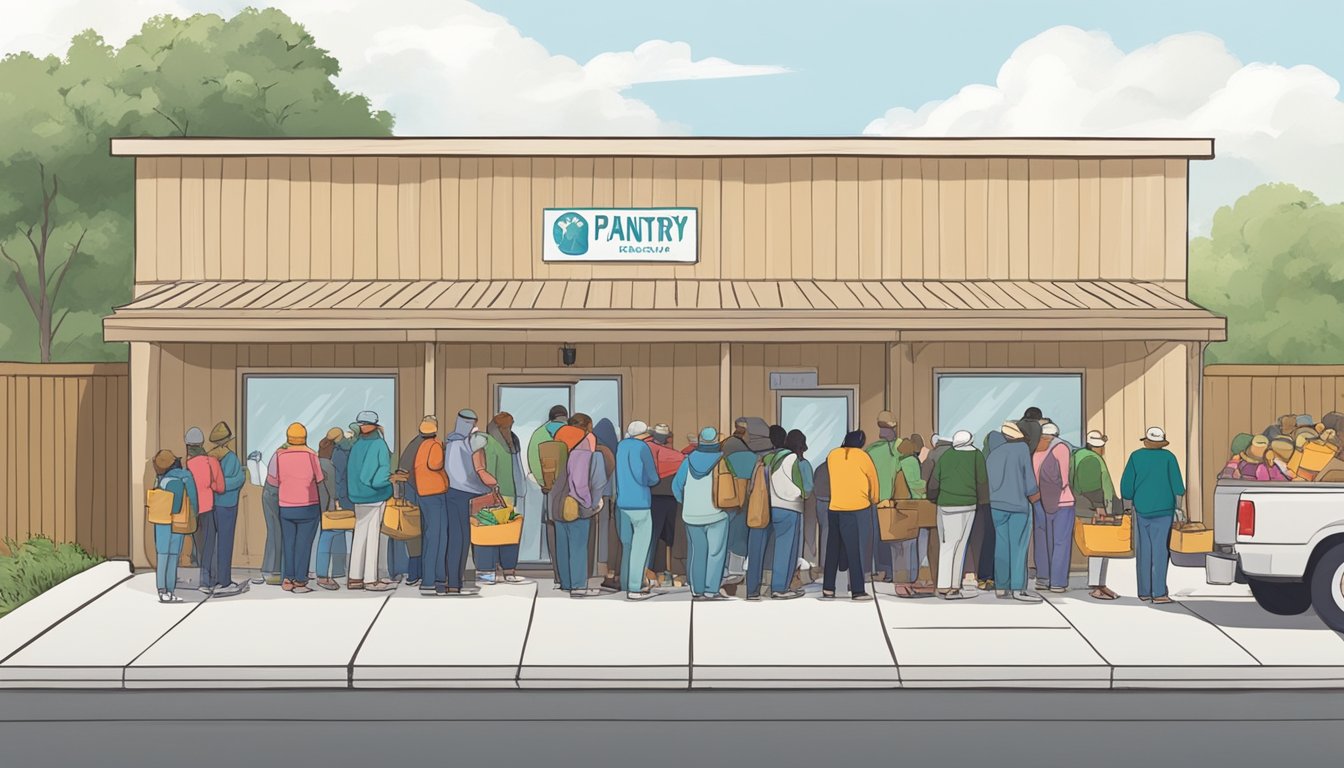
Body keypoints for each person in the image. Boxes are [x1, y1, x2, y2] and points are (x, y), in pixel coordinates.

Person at [1120, 426, 1186, 605]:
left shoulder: (1136, 457)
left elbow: (1126, 485)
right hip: (1164, 510)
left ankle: (1143, 592)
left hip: (1142, 509)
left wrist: (1128, 504)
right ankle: (1159, 593)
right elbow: (1178, 486)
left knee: (1144, 551)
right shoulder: (1169, 458)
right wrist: (1179, 507)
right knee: (1160, 551)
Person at [927, 430, 987, 599]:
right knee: (961, 545)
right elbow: (982, 480)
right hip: (969, 505)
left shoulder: (946, 456)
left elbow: (934, 482)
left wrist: (933, 498)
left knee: (947, 545)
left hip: (947, 505)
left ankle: (944, 585)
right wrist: (981, 502)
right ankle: (954, 585)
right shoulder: (977, 456)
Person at [986, 421, 1042, 602]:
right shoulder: (1021, 450)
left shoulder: (993, 454)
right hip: (1018, 505)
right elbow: (1029, 481)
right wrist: (1035, 496)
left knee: (1001, 546)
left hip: (996, 506)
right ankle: (1018, 588)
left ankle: (1002, 587)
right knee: (1018, 548)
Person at [673, 427, 731, 601]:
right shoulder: (722, 460)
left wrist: (687, 503)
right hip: (717, 513)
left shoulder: (687, 461)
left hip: (692, 515)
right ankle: (711, 590)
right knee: (716, 553)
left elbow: (676, 486)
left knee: (698, 553)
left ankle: (697, 591)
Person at [822, 430, 879, 602]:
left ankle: (828, 588)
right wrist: (874, 499)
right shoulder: (863, 457)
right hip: (855, 508)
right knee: (855, 550)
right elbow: (873, 480)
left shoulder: (833, 455)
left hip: (834, 507)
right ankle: (857, 590)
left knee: (832, 548)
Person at [266, 423, 323, 594]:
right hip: (308, 505)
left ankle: (287, 578)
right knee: (304, 544)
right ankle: (300, 580)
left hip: (286, 506)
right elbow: (319, 479)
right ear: (304, 438)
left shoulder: (278, 455)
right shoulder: (312, 455)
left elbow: (272, 481)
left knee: (288, 542)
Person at [554, 423, 609, 597]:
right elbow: (594, 483)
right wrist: (590, 505)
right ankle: (578, 585)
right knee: (578, 547)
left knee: (562, 547)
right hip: (577, 507)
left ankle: (566, 583)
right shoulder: (590, 456)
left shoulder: (559, 454)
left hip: (557, 506)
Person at [346, 411, 399, 592]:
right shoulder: (379, 444)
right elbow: (373, 477)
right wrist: (391, 479)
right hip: (374, 496)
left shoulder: (356, 445)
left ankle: (355, 577)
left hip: (357, 496)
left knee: (360, 535)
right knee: (372, 536)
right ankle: (371, 579)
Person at [445, 409, 495, 595]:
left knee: (459, 540)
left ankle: (455, 581)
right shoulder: (462, 445)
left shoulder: (455, 443)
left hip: (455, 495)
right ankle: (454, 582)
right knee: (460, 540)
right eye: (471, 423)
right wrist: (485, 489)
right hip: (461, 496)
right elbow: (467, 476)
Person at [760, 429, 813, 600]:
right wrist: (802, 493)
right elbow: (806, 488)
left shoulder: (771, 457)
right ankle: (780, 587)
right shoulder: (795, 461)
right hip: (790, 507)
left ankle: (776, 584)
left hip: (771, 506)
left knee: (776, 547)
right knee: (787, 548)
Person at [722, 417, 773, 586]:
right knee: (740, 538)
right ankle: (737, 571)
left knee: (727, 537)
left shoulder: (722, 457)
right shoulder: (754, 459)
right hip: (745, 503)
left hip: (723, 503)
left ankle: (725, 570)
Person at [480, 412, 528, 585]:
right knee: (493, 534)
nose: (510, 429)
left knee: (511, 534)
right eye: (507, 426)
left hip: (514, 495)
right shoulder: (489, 442)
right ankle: (490, 571)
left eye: (511, 426)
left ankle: (509, 569)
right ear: (499, 427)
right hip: (497, 495)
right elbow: (489, 470)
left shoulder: (513, 441)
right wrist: (492, 494)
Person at [615, 420, 660, 600]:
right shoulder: (643, 448)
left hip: (622, 502)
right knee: (640, 547)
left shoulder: (621, 446)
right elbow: (652, 477)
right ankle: (634, 587)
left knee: (627, 545)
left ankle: (625, 584)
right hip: (640, 502)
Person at [1072, 430, 1120, 600]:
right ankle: (1097, 586)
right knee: (1098, 547)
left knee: (1097, 547)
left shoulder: (1080, 455)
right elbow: (1090, 486)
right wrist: (1100, 506)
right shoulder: (1091, 459)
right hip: (1091, 510)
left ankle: (1099, 584)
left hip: (1085, 508)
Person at [203, 422, 248, 597]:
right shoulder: (231, 458)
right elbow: (237, 480)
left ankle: (208, 579)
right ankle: (224, 581)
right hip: (227, 504)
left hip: (209, 505)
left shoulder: (208, 458)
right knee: (225, 543)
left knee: (209, 543)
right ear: (226, 441)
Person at [405, 416, 448, 595]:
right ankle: (432, 579)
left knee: (431, 535)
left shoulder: (418, 445)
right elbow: (435, 464)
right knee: (437, 536)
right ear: (435, 429)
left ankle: (430, 577)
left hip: (422, 493)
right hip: (435, 493)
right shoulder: (434, 445)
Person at [745, 425, 789, 600]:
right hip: (781, 506)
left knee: (755, 550)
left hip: (759, 507)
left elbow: (750, 487)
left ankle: (752, 590)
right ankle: (778, 588)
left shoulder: (759, 460)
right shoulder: (785, 459)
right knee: (781, 549)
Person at [1032, 420, 1076, 593]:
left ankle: (1043, 578)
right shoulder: (1061, 448)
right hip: (1062, 501)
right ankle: (1057, 582)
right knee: (1061, 542)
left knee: (1042, 541)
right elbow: (1064, 479)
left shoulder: (1036, 449)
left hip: (1039, 500)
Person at [151, 450, 197, 603]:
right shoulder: (184, 477)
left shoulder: (161, 481)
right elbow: (188, 502)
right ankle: (170, 590)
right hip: (178, 522)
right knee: (172, 557)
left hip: (162, 522)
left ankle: (162, 590)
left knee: (163, 556)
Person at [183, 427, 225, 594]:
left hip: (192, 510)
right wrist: (210, 486)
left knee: (197, 545)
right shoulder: (212, 462)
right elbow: (221, 487)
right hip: (207, 508)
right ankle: (206, 581)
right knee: (208, 546)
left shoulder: (186, 464)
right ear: (202, 444)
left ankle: (197, 577)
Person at [645, 423, 687, 585]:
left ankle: (649, 570)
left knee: (653, 536)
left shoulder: (648, 452)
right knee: (672, 536)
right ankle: (673, 571)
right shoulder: (678, 456)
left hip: (653, 497)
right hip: (672, 498)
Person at [314, 429, 349, 590]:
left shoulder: (315, 461)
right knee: (332, 536)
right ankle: (335, 570)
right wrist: (337, 501)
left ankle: (323, 571)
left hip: (315, 504)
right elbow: (333, 489)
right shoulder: (330, 465)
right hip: (329, 506)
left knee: (323, 537)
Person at [249, 447, 284, 587]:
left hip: (270, 491)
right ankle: (274, 570)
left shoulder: (278, 455)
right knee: (277, 532)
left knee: (274, 532)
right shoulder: (285, 455)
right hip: (276, 492)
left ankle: (271, 569)